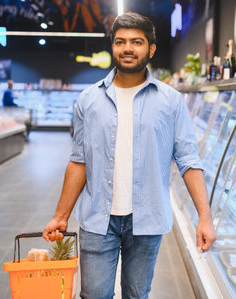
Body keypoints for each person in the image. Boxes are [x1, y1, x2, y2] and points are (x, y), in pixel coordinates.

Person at [42, 12, 216, 299]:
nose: (128, 48)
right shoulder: (89, 99)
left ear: (151, 48)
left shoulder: (171, 101)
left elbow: (189, 161)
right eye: (120, 41)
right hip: (98, 218)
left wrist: (205, 218)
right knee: (94, 295)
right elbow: (78, 160)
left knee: (136, 294)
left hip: (147, 218)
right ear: (112, 46)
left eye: (137, 42)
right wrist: (61, 216)